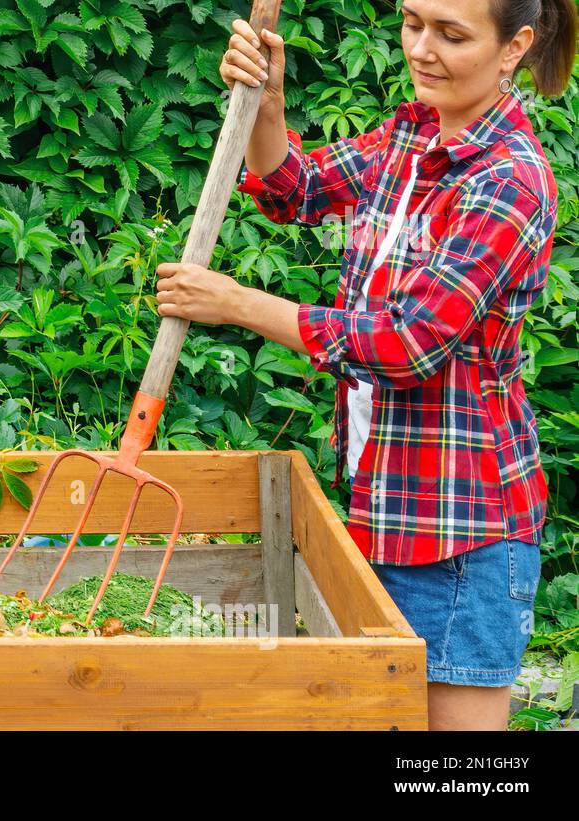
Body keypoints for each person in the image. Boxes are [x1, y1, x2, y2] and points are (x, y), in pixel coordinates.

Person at [154, 0, 576, 730]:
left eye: (451, 34)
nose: (421, 48)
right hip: (382, 505)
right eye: (413, 23)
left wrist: (237, 302)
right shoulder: (411, 135)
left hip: (461, 533)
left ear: (516, 48)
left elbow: (406, 343)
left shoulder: (510, 179)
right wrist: (268, 102)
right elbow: (296, 187)